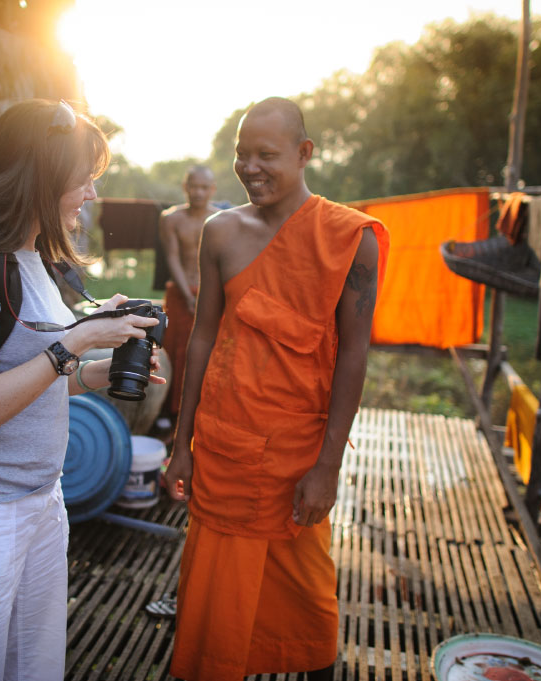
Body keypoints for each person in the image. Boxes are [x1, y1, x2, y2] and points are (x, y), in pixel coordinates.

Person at [0, 99, 164, 681]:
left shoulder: (30, 258)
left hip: (40, 501)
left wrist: (98, 368)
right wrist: (80, 338)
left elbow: (32, 381)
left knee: (32, 669)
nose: (92, 196)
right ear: (41, 177)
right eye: (84, 180)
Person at [163, 97, 389, 681]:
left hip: (296, 457)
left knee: (310, 608)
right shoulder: (221, 232)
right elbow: (202, 339)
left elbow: (354, 356)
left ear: (304, 153)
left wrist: (329, 466)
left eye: (267, 155)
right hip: (226, 445)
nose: (251, 167)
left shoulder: (349, 239)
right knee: (215, 603)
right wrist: (181, 442)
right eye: (242, 155)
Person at [158, 165, 219, 427]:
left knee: (206, 349)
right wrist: (188, 295)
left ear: (212, 190)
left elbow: (221, 263)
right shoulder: (171, 219)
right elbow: (172, 257)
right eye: (194, 186)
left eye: (204, 187)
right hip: (181, 292)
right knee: (173, 350)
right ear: (186, 187)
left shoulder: (221, 219)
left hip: (210, 293)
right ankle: (167, 413)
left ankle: (201, 411)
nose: (199, 192)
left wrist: (209, 296)